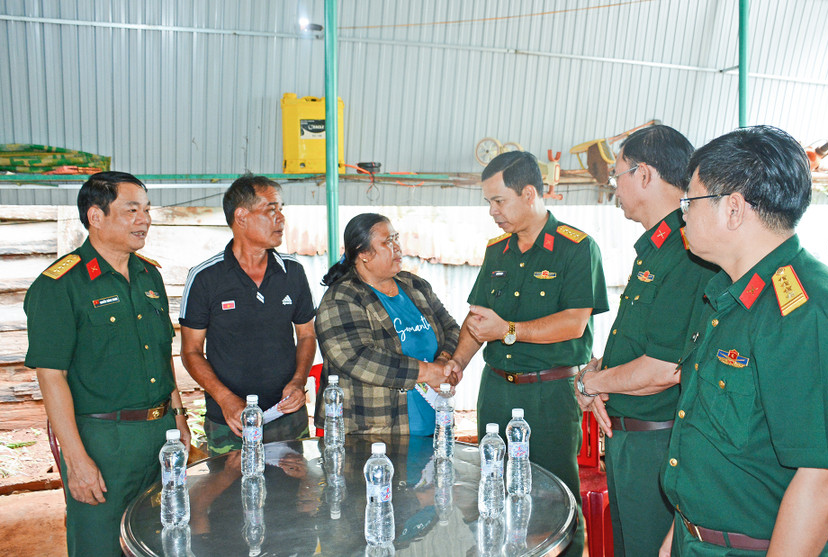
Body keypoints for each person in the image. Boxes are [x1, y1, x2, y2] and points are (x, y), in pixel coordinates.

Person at [660, 126, 828, 556]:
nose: (681, 213)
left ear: (734, 209)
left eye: (690, 200)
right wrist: (681, 533)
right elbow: (714, 444)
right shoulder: (732, 296)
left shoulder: (812, 313)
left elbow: (825, 479)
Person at [445, 150, 609, 557]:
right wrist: (456, 365)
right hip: (497, 391)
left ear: (530, 193)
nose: (492, 212)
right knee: (495, 491)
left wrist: (510, 330)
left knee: (557, 497)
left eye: (499, 201)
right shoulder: (497, 251)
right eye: (488, 203)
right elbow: (477, 320)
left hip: (549, 395)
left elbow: (574, 321)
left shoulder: (576, 248)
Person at [24, 171, 191, 556]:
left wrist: (179, 417)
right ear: (95, 217)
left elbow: (161, 357)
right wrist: (76, 460)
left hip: (160, 437)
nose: (144, 219)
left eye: (147, 210)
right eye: (131, 210)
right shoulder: (60, 285)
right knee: (99, 545)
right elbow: (51, 376)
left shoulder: (148, 275)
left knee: (160, 540)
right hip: (102, 442)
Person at [574, 125, 717, 556]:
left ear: (645, 175)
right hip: (628, 440)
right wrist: (598, 372)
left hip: (659, 445)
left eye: (617, 175)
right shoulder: (657, 248)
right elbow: (638, 343)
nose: (614, 186)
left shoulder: (688, 251)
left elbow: (665, 368)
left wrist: (591, 385)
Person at [180, 174, 316, 454]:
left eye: (281, 209)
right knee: (230, 495)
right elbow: (191, 351)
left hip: (287, 417)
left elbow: (306, 335)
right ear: (241, 217)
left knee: (290, 496)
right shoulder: (205, 277)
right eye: (271, 209)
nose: (281, 219)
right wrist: (226, 399)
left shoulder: (293, 272)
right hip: (230, 421)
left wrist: (298, 381)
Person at [314, 213, 460, 435]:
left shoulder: (414, 286)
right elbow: (358, 357)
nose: (397, 248)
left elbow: (451, 329)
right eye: (387, 242)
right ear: (363, 253)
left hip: (434, 426)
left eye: (396, 238)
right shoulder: (342, 297)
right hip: (373, 434)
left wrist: (443, 362)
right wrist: (428, 372)